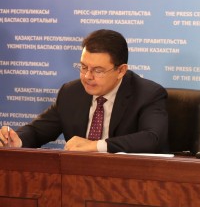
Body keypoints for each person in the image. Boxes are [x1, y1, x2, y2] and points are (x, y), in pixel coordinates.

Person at [0, 29, 168, 153]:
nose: (87, 76)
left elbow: (152, 138)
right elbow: (37, 130)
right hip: (78, 179)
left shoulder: (148, 94)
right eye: (83, 67)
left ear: (121, 70)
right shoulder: (71, 92)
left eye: (98, 70)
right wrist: (17, 140)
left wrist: (96, 146)